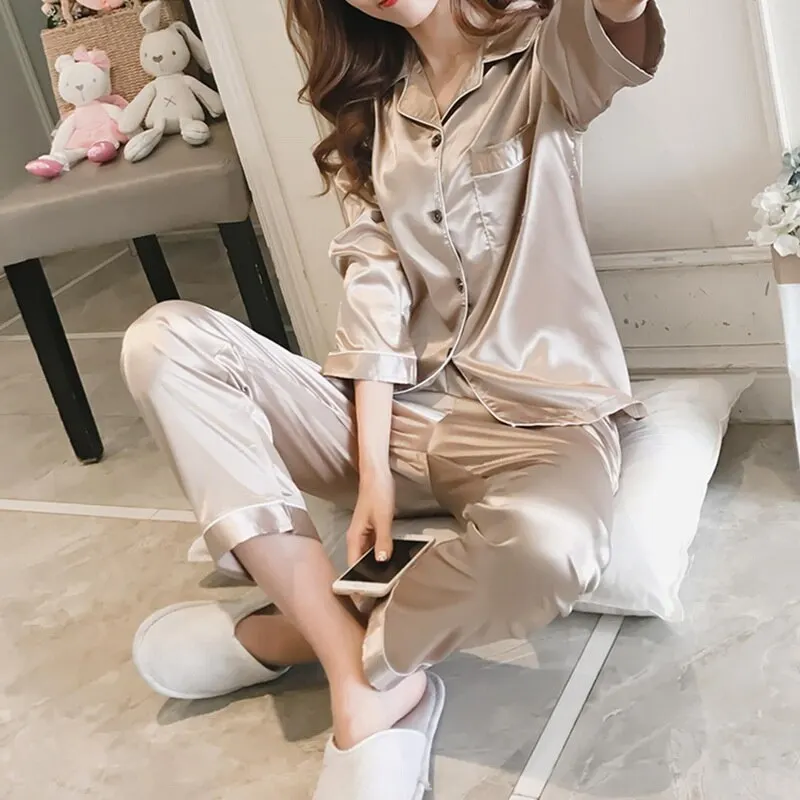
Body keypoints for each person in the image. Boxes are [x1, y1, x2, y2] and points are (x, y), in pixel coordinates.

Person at [122, 0, 665, 796]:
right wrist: (372, 468)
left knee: (553, 549)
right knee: (165, 341)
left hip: (542, 422)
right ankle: (366, 686)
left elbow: (622, 17)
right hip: (400, 414)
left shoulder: (547, 55)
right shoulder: (373, 108)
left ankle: (299, 637)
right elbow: (374, 294)